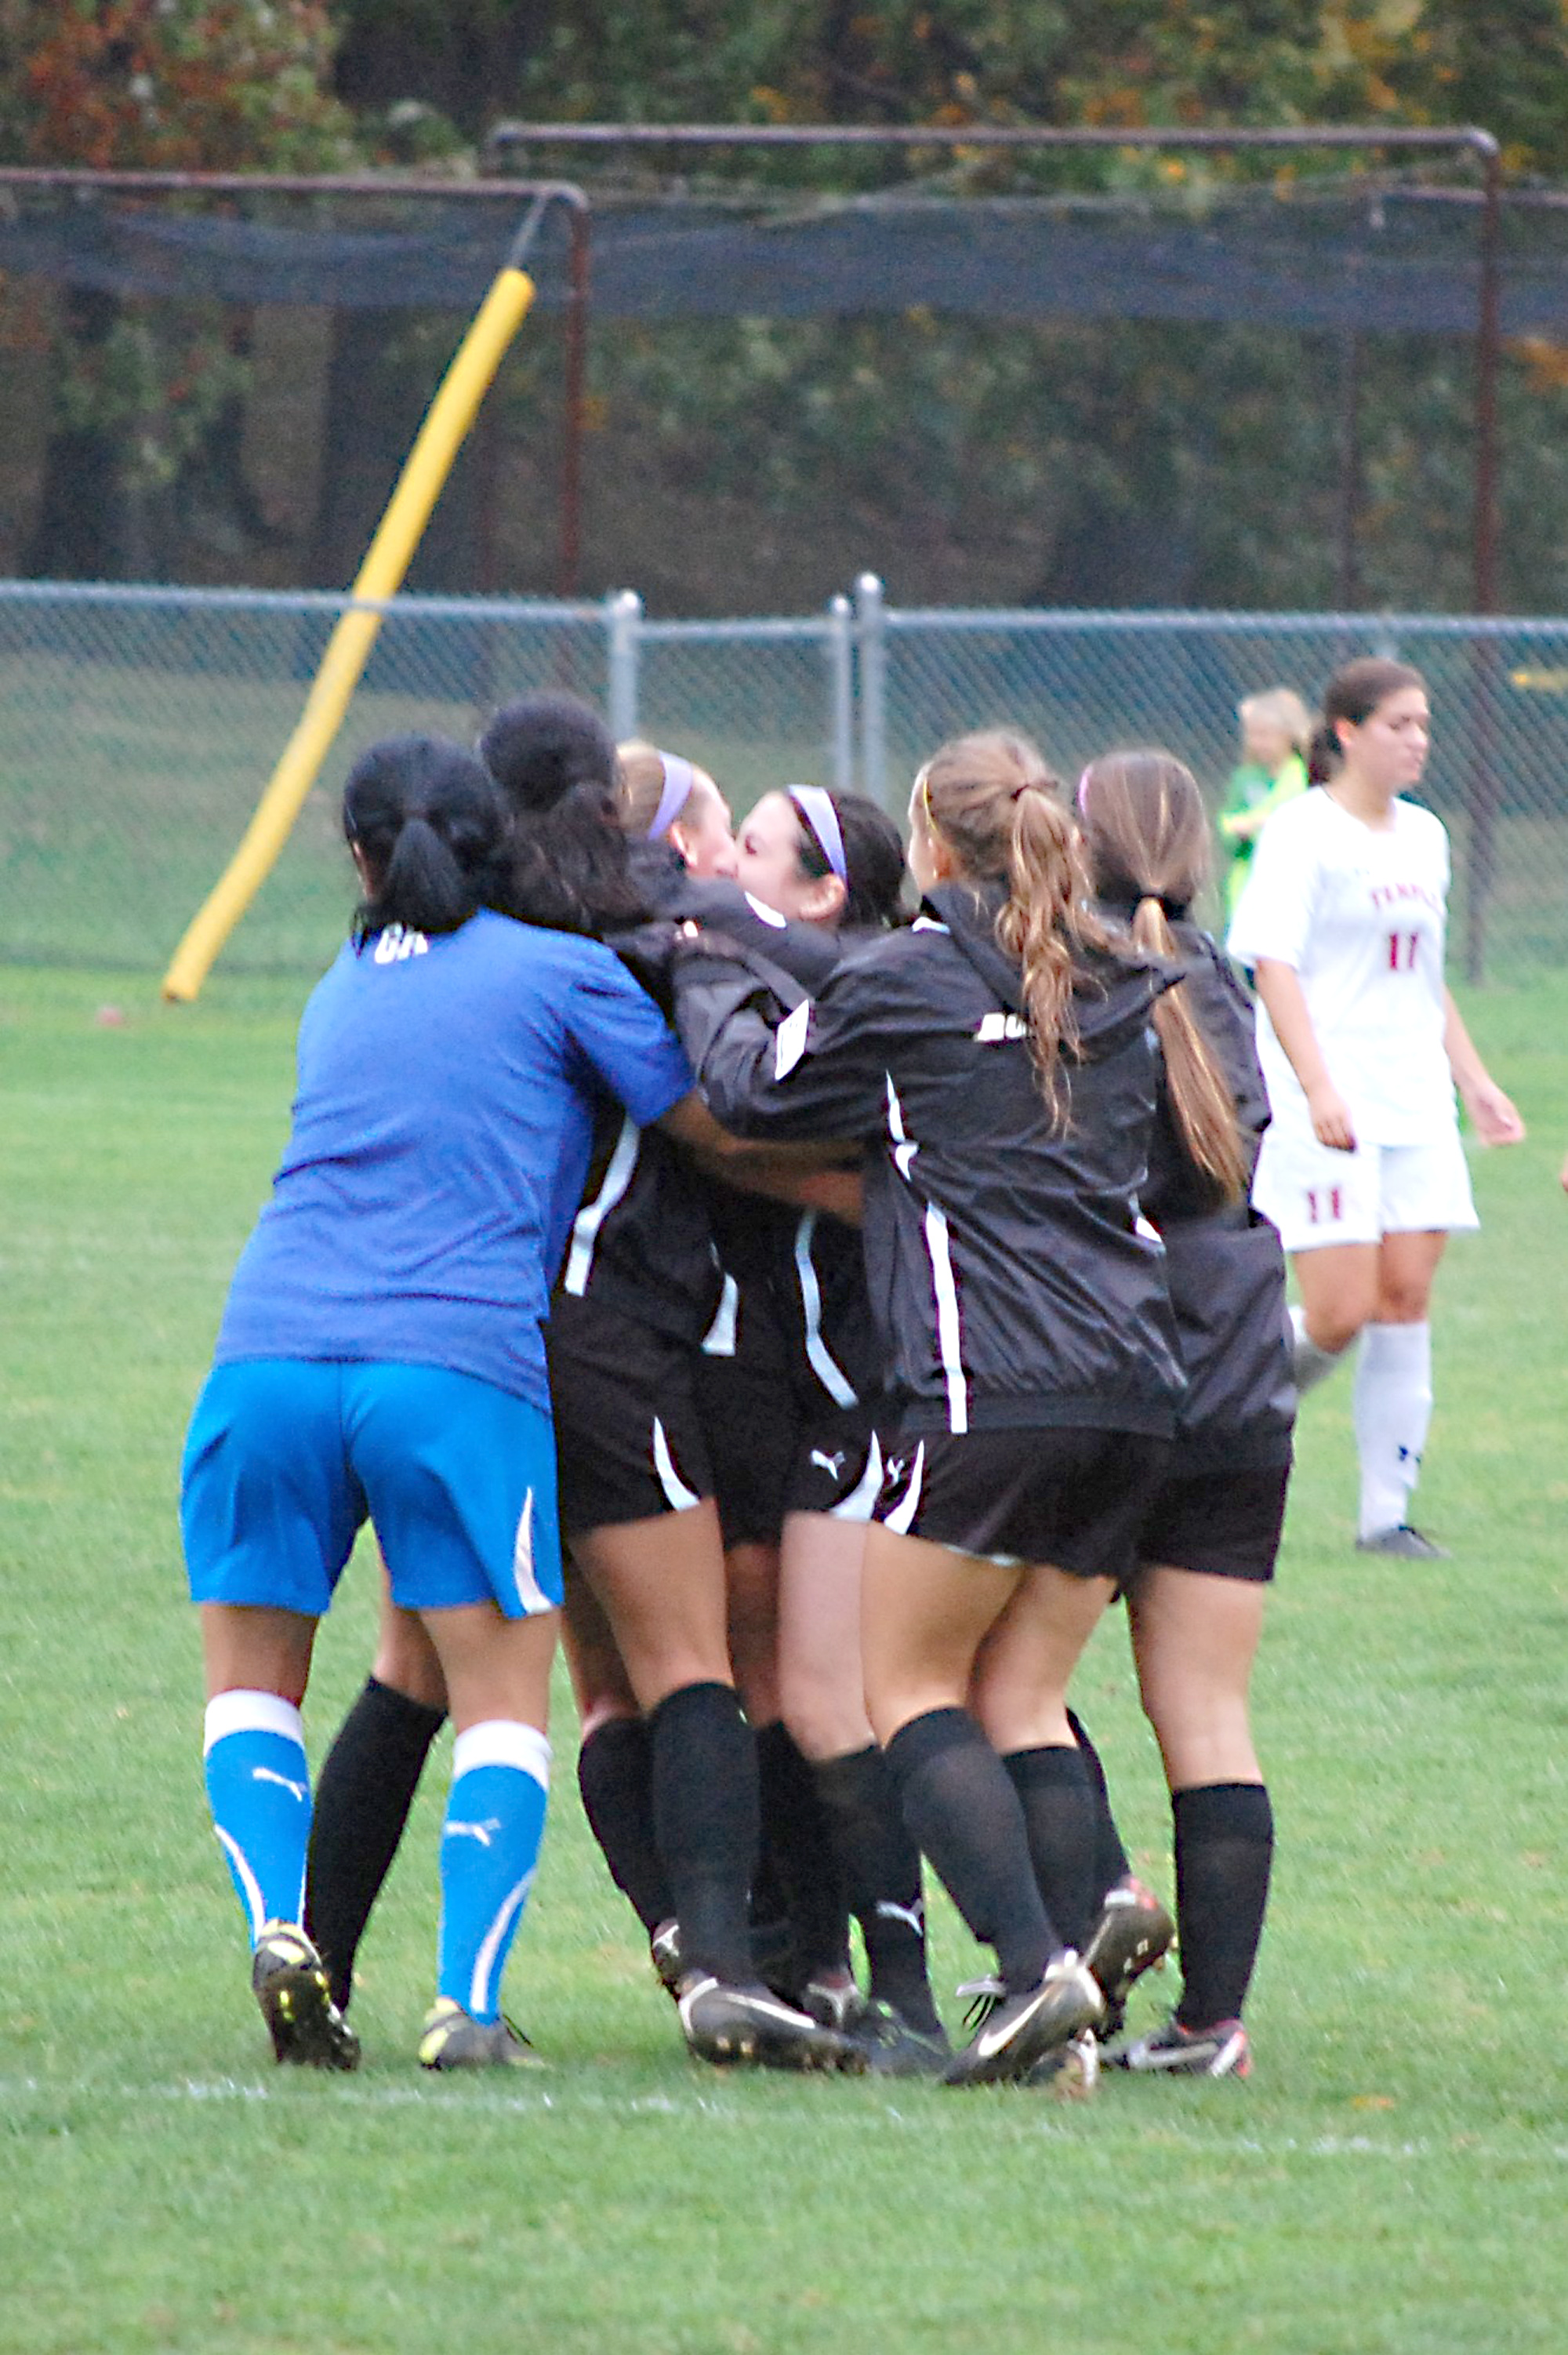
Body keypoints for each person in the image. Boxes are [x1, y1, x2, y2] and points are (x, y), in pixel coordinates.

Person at [304, 701, 854, 2074]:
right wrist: (877, 1179)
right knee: (686, 1669)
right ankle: (724, 1965)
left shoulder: (426, 944)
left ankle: (313, 1953)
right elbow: (718, 1130)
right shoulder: (617, 944)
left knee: (412, 1673)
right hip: (597, 1337)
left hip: (447, 1340)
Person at [675, 731, 1189, 2087]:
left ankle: (1039, 1975)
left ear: (934, 847)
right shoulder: (1126, 971)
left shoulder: (905, 972)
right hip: (1140, 1389)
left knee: (902, 1687)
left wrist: (710, 966)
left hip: (987, 1390)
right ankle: (1070, 2013)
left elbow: (751, 1090)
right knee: (1020, 1694)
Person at [181, 732, 696, 2073]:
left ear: (356, 854)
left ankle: (279, 1927)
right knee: (502, 1700)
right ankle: (465, 2002)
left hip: (267, 1354)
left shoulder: (337, 983)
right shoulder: (565, 972)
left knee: (252, 1688)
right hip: (453, 1368)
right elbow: (701, 1114)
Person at [701, 782, 950, 2069]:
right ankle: (808, 1957)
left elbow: (765, 1130)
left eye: (750, 848)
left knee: (844, 1689)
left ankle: (921, 1975)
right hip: (747, 1382)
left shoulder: (869, 995)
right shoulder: (731, 968)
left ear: (823, 892)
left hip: (861, 1385)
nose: (719, 862)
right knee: (767, 1690)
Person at [1067, 748, 1295, 2077]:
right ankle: (1215, 2022)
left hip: (1106, 1368)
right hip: (1240, 1372)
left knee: (983, 1676)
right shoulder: (1221, 978)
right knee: (1206, 1709)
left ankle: (1099, 1893)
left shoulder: (1070, 969)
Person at [1228, 658, 1524, 1556]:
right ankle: (1210, 1386)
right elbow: (1270, 965)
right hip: (1328, 1101)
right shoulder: (1301, 833)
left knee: (1403, 1299)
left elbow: (1422, 979)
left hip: (1413, 1103)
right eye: (1397, 723)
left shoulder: (1424, 837)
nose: (1416, 739)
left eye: (1423, 724)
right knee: (1339, 1311)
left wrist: (1471, 1082)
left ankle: (1383, 1517)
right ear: (1346, 733)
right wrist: (1316, 1085)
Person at [1216, 689, 1311, 921]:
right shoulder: (1245, 777)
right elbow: (1229, 821)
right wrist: (1239, 830)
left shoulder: (1305, 776)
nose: (1258, 743)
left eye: (1266, 735)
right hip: (1248, 880)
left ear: (1290, 734)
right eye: (1252, 734)